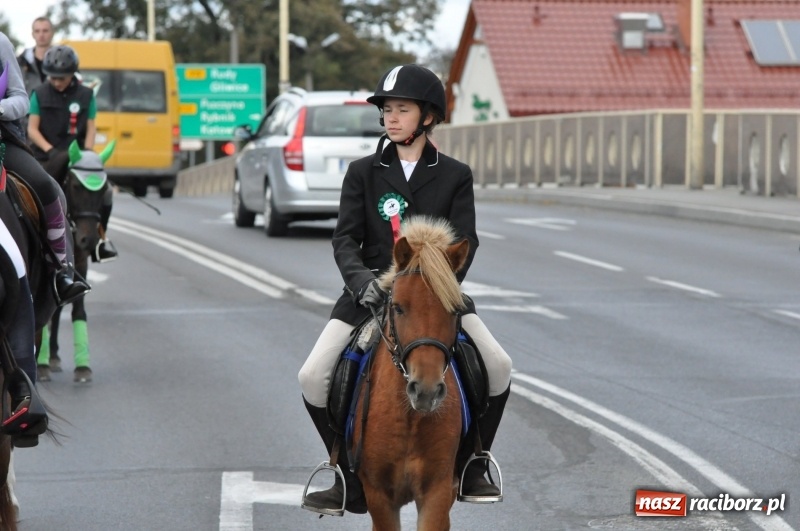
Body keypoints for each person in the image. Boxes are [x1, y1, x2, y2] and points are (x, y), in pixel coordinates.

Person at [297, 64, 513, 514]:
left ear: (428, 117)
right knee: (313, 376)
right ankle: (343, 470)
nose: (392, 118)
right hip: (371, 293)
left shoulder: (455, 174)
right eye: (387, 110)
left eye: (402, 109)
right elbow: (344, 240)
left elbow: (464, 242)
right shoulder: (363, 172)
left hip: (434, 295)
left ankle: (474, 460)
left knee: (498, 364)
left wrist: (440, 287)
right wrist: (362, 285)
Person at [0, 32, 90, 305]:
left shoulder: (1, 43)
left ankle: (61, 271)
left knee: (45, 186)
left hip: (3, 140)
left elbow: (20, 97)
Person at [28, 45, 117, 262]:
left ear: (72, 75)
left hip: (77, 158)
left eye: (61, 78)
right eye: (53, 77)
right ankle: (33, 239)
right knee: (30, 190)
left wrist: (86, 154)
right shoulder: (38, 93)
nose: (56, 82)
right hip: (46, 155)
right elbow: (32, 128)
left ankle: (100, 240)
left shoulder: (86, 95)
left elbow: (91, 127)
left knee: (105, 193)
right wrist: (50, 151)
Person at [17, 16, 55, 96]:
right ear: (33, 34)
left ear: (52, 33)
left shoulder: (62, 59)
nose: (41, 35)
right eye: (37, 31)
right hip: (28, 106)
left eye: (45, 31)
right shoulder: (21, 61)